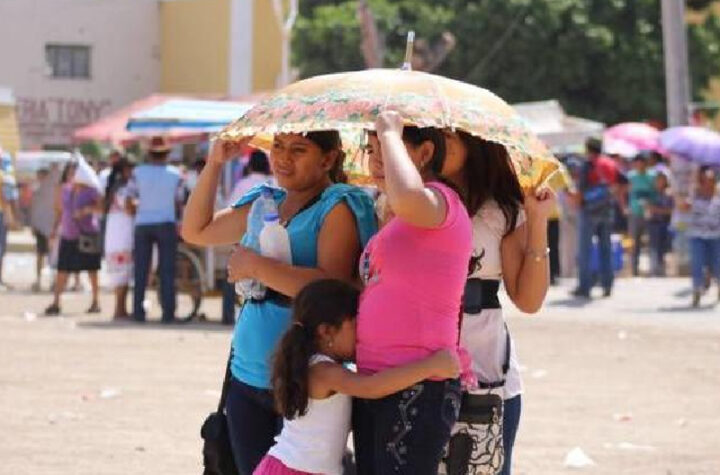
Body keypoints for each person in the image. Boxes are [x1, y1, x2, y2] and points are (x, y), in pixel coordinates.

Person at [182, 132, 377, 475]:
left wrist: (257, 267)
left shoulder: (338, 205)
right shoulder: (264, 201)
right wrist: (214, 164)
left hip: (306, 378)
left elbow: (331, 287)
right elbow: (197, 230)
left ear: (328, 159)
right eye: (278, 148)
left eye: (298, 150)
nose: (284, 158)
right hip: (247, 371)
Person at [351, 112, 472, 475]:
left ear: (424, 152)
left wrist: (389, 130)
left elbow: (407, 198)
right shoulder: (399, 216)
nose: (376, 159)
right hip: (377, 380)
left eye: (386, 149)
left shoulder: (441, 202)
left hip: (419, 384)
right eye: (370, 149)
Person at [254, 279, 459, 475]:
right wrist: (431, 366)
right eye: (355, 324)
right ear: (326, 331)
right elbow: (372, 387)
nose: (362, 333)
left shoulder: (323, 368)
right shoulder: (322, 371)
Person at [441, 130, 555, 475]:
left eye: (448, 137)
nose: (435, 143)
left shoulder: (501, 212)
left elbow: (529, 300)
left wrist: (536, 220)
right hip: (414, 372)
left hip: (488, 377)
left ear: (474, 143)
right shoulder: (405, 204)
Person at [127, 136, 184, 324]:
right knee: (167, 271)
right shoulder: (175, 174)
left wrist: (137, 212)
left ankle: (138, 312)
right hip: (166, 223)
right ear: (167, 154)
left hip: (143, 223)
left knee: (141, 270)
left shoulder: (138, 172)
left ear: (149, 154)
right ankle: (168, 313)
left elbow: (129, 199)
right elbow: (179, 202)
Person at [45, 156, 103, 315]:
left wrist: (86, 210)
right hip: (68, 234)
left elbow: (102, 208)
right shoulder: (63, 189)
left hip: (87, 233)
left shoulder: (91, 190)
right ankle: (56, 302)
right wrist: (54, 229)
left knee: (92, 269)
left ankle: (95, 301)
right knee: (62, 269)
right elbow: (59, 211)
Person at [573, 138, 620, 299]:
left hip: (589, 211)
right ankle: (607, 285)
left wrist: (578, 204)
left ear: (588, 149)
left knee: (585, 250)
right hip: (607, 211)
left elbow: (580, 188)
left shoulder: (588, 164)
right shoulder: (611, 164)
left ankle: (584, 287)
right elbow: (622, 182)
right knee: (605, 249)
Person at [682, 167, 720, 307]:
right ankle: (697, 289)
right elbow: (683, 206)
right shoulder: (694, 197)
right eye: (703, 180)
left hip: (715, 237)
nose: (706, 183)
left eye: (709, 180)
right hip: (697, 236)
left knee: (717, 265)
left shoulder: (718, 198)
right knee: (697, 264)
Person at [104, 158, 136, 320]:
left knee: (120, 274)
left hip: (115, 233)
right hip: (122, 234)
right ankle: (119, 309)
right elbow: (130, 208)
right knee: (123, 274)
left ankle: (121, 308)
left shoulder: (113, 188)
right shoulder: (123, 189)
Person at [29, 165, 61, 292]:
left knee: (51, 255)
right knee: (40, 254)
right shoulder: (37, 190)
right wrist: (33, 224)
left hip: (51, 226)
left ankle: (53, 281)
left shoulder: (54, 189)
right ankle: (38, 280)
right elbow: (33, 208)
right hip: (40, 226)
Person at [627, 152, 657, 276]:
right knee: (634, 242)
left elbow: (656, 190)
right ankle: (634, 269)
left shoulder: (652, 176)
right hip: (634, 212)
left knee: (652, 241)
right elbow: (624, 191)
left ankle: (653, 269)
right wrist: (625, 206)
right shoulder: (630, 176)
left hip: (651, 212)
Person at [647, 172, 673, 277]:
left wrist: (658, 210)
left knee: (664, 247)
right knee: (653, 246)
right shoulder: (652, 194)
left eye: (662, 180)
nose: (660, 182)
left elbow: (671, 210)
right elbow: (649, 208)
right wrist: (658, 210)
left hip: (666, 223)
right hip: (653, 223)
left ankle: (663, 269)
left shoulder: (669, 194)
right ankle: (654, 270)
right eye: (658, 180)